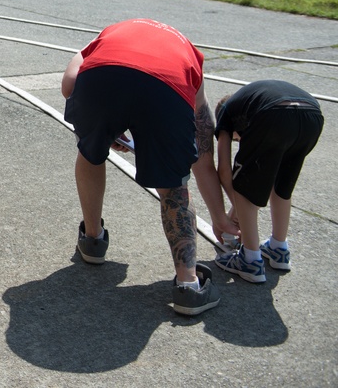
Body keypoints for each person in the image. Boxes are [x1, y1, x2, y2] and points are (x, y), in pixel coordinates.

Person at [61, 18, 235, 316]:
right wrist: (220, 217)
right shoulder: (188, 54)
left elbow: (69, 86)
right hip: (167, 84)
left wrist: (103, 128)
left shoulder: (104, 40)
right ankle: (188, 287)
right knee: (174, 186)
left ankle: (92, 241)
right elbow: (202, 150)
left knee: (90, 153)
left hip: (100, 78)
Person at [213, 80, 324, 283]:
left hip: (274, 114)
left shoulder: (226, 114)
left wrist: (236, 207)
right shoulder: (251, 100)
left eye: (237, 140)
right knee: (282, 183)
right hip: (312, 115)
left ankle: (250, 259)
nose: (239, 142)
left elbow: (224, 169)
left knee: (242, 181)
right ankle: (278, 248)